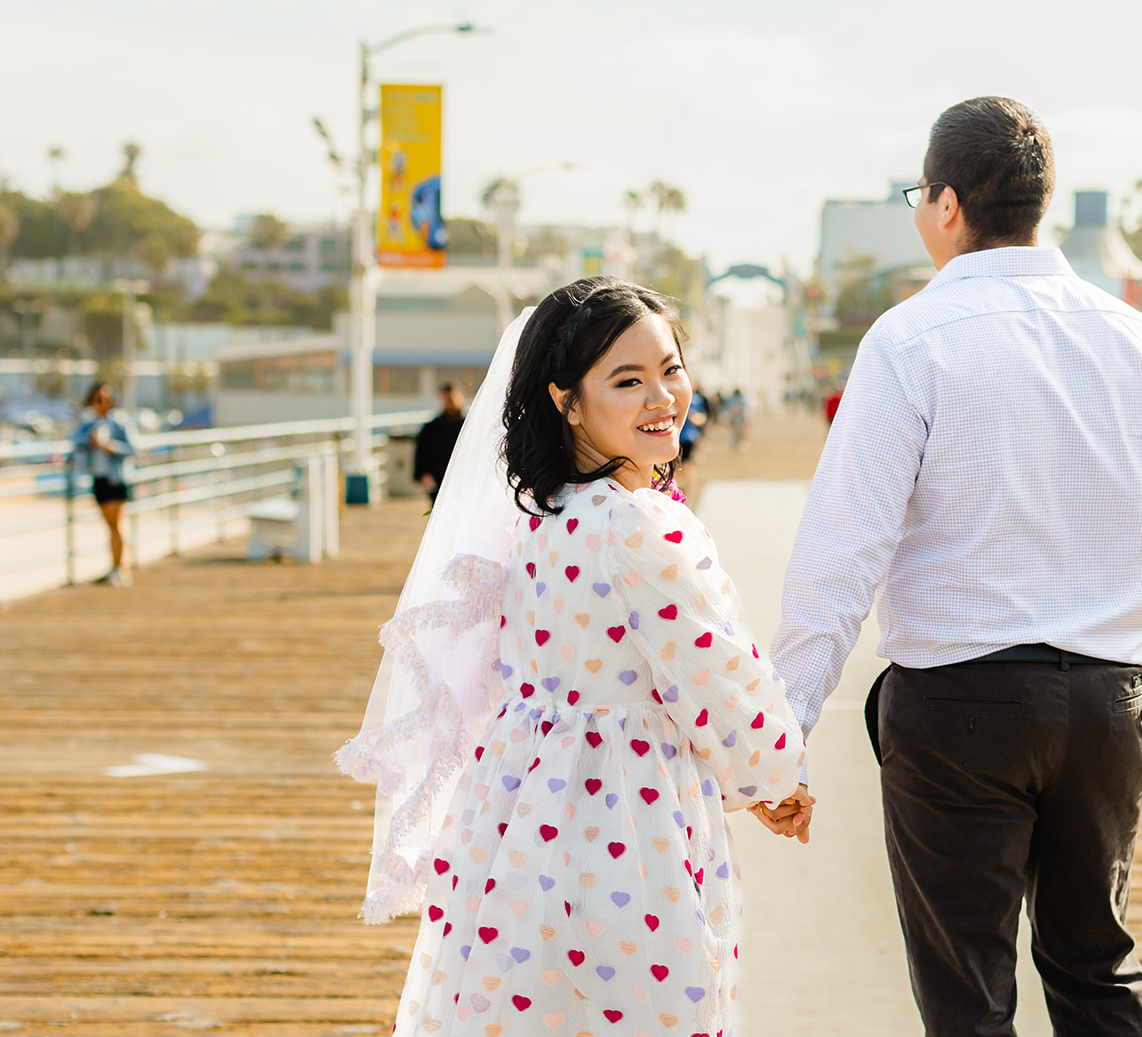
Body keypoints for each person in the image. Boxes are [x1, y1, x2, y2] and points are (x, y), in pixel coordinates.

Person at [772, 97, 1142, 1036]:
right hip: (1106, 700)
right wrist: (1136, 704)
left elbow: (842, 552)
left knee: (969, 996)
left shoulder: (909, 340)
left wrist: (783, 731)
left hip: (958, 708)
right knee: (1098, 970)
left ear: (943, 203)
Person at [336, 278, 810, 1037]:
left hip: (517, 816)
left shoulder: (538, 515)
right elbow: (719, 673)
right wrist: (775, 778)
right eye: (628, 380)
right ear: (568, 400)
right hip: (626, 818)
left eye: (671, 368)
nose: (663, 396)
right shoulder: (641, 526)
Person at [71, 382, 136, 586]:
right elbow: (74, 441)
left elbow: (132, 448)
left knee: (115, 526)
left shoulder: (119, 422)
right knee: (111, 526)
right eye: (97, 399)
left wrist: (112, 447)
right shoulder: (88, 424)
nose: (101, 403)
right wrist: (88, 441)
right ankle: (117, 567)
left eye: (104, 399)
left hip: (116, 479)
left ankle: (120, 569)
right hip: (99, 479)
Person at [412, 382, 465, 501]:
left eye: (453, 397)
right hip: (438, 480)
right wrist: (423, 474)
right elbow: (421, 453)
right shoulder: (431, 428)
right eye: (447, 398)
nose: (450, 401)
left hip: (464, 481)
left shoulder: (470, 427)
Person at [725, 387, 749, 451]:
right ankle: (739, 443)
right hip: (739, 418)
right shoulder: (742, 399)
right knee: (740, 432)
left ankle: (735, 443)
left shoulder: (731, 399)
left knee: (735, 432)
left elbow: (727, 408)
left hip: (734, 418)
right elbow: (745, 409)